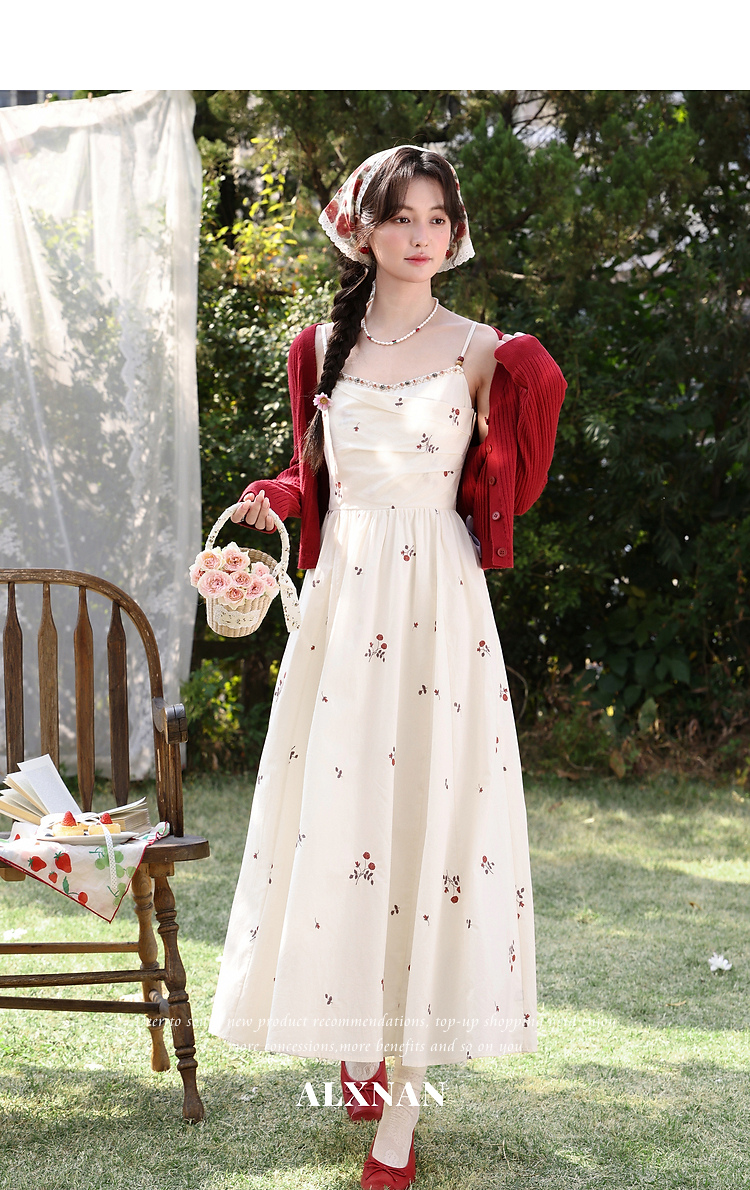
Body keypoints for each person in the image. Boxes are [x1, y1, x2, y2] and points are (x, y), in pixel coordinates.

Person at [209, 144, 567, 1189]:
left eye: (437, 218)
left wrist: (533, 373)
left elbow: (515, 484)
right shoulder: (319, 345)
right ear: (362, 230)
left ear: (455, 233)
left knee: (431, 825)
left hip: (437, 604)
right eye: (401, 217)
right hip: (343, 603)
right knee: (346, 815)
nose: (421, 235)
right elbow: (313, 471)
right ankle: (352, 1034)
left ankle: (398, 1118)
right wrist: (274, 498)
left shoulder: (482, 349)